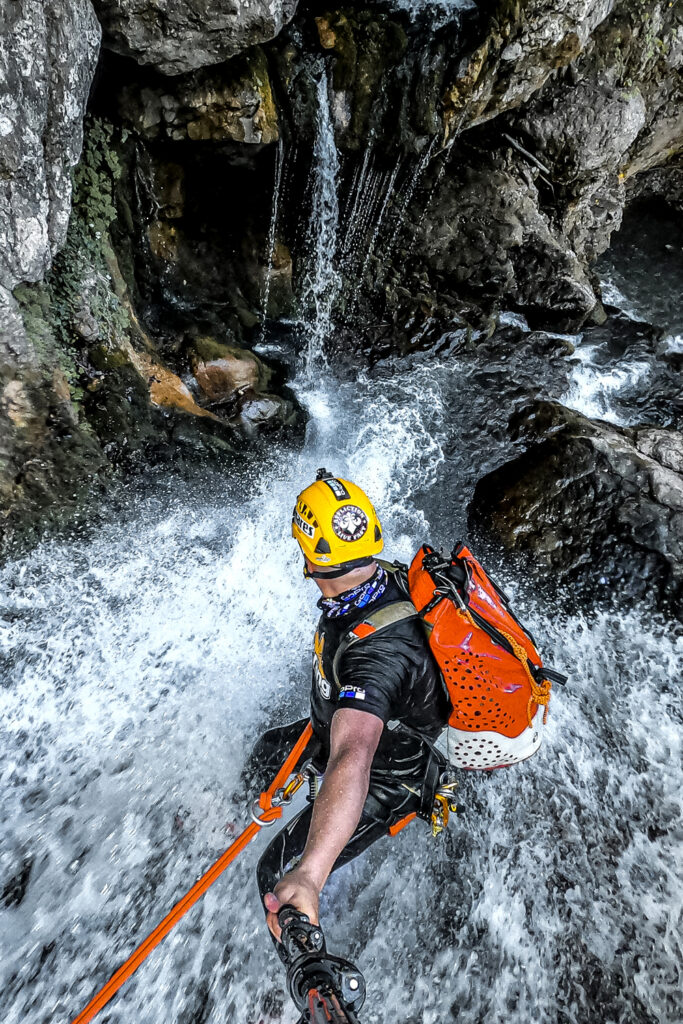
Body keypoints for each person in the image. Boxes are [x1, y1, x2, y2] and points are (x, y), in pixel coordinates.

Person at [255, 469, 451, 949]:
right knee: (267, 750)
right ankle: (237, 821)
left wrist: (311, 873)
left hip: (388, 773)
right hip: (334, 729)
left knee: (277, 871)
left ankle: (309, 940)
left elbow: (354, 756)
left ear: (308, 556)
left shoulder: (376, 660)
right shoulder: (381, 575)